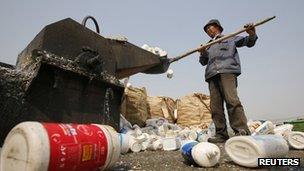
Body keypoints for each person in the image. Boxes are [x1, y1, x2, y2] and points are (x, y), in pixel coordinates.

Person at [199, 19, 258, 143]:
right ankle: (221, 134)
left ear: (219, 28)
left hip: (227, 72)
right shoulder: (207, 45)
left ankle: (241, 130)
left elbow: (249, 42)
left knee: (232, 101)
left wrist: (251, 33)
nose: (209, 30)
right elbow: (203, 62)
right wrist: (203, 53)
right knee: (215, 107)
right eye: (207, 30)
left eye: (211, 27)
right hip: (212, 74)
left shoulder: (230, 38)